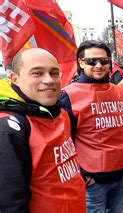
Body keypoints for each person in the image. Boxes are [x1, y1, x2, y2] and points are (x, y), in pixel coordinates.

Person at [0, 48, 86, 212]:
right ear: (15, 79)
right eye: (37, 73)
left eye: (54, 73)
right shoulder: (9, 129)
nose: (49, 80)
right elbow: (10, 203)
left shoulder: (60, 113)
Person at [60, 40, 123, 212]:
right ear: (80, 63)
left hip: (122, 173)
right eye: (92, 61)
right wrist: (82, 174)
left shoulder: (119, 91)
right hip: (93, 181)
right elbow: (63, 141)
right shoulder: (69, 95)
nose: (99, 65)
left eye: (104, 61)